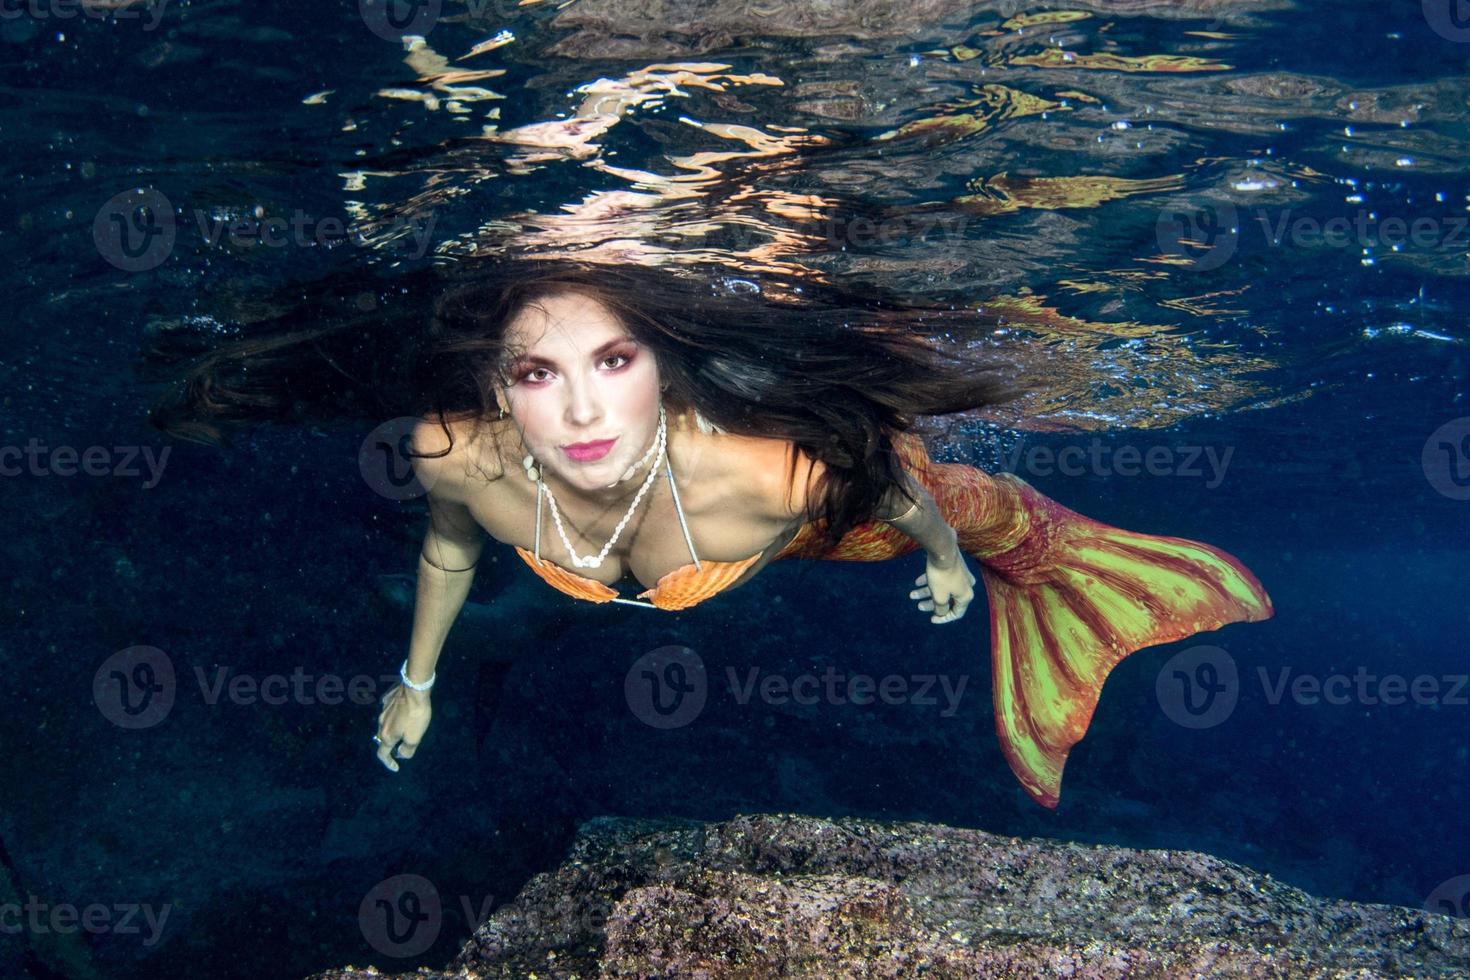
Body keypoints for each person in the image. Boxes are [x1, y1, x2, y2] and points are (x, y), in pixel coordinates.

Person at [147, 257, 1272, 809]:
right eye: (537, 374)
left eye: (614, 361)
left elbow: (890, 491)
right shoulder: (456, 455)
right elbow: (450, 550)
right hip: (670, 544)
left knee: (926, 490)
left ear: (661, 368)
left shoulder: (773, 471)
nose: (581, 413)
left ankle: (1064, 573)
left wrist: (946, 554)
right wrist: (419, 679)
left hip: (818, 524)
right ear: (497, 382)